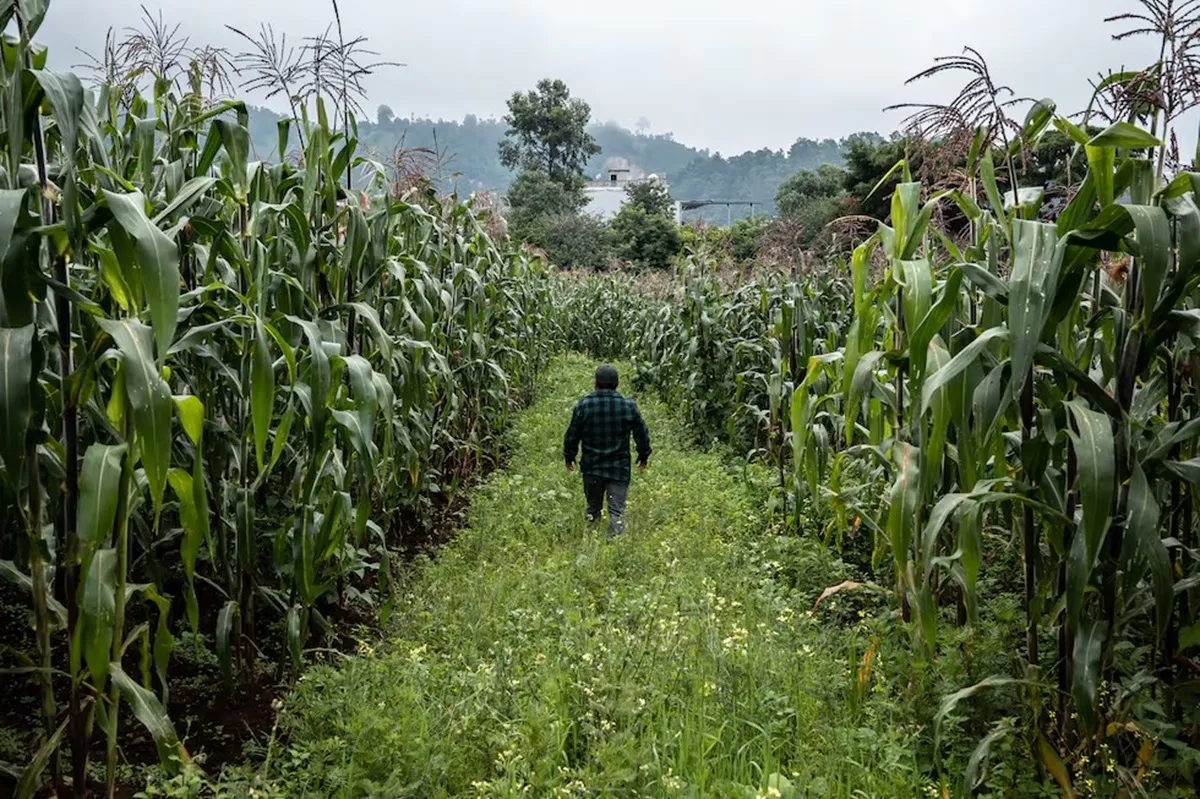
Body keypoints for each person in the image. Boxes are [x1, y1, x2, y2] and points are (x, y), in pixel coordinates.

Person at [563, 364, 652, 537]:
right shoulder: (628, 406)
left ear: (596, 383)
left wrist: (569, 456)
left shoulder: (584, 405)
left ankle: (591, 541)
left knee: (593, 508)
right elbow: (641, 433)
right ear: (617, 384)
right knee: (617, 512)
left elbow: (572, 434)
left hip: (592, 468)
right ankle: (615, 545)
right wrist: (643, 454)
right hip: (618, 468)